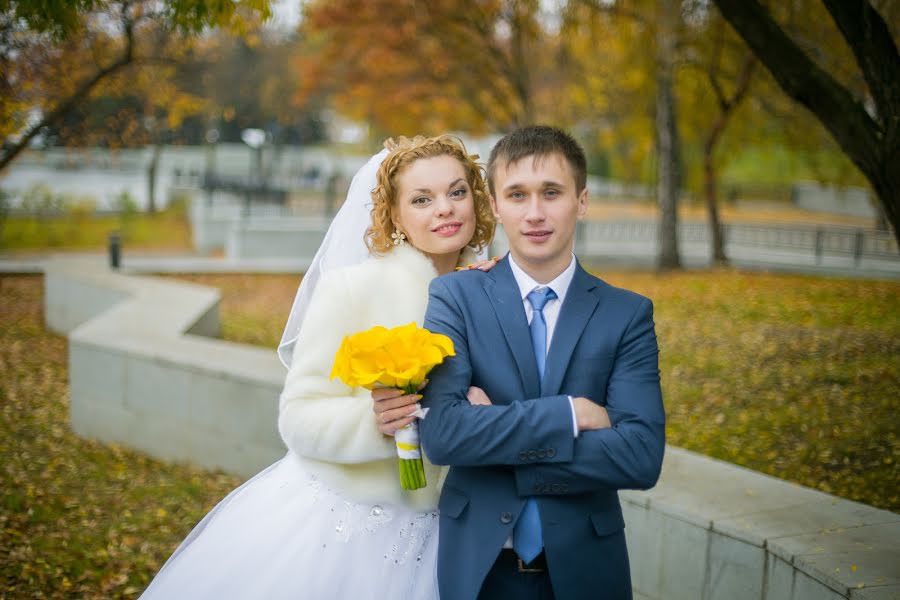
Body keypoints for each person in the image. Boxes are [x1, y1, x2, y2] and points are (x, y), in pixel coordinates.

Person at [140, 135, 497, 599]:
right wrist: (372, 424)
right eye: (421, 199)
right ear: (394, 214)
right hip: (349, 528)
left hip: (458, 528)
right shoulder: (352, 289)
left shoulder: (498, 289)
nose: (445, 209)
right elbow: (299, 414)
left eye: (456, 192)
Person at [414, 125, 666, 600]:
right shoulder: (455, 298)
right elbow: (444, 435)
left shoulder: (627, 313)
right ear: (494, 205)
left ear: (582, 201)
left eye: (551, 192)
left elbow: (641, 456)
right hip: (478, 568)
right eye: (517, 194)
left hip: (587, 572)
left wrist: (492, 438)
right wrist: (569, 416)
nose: (534, 213)